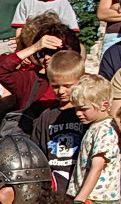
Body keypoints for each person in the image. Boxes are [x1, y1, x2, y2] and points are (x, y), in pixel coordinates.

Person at [0, 12, 80, 112]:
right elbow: (0, 70)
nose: (47, 57)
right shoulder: (31, 81)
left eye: (53, 52)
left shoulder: (84, 82)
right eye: (42, 53)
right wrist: (35, 47)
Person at [67, 75, 121, 204]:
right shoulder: (95, 126)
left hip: (97, 201)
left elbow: (97, 167)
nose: (78, 113)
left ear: (104, 105)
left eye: (83, 109)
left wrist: (80, 199)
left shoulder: (105, 130)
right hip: (90, 198)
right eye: (76, 109)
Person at [29, 49, 85, 187]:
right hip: (52, 183)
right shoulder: (46, 116)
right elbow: (37, 151)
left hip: (79, 181)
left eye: (67, 86)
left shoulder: (85, 114)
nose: (61, 91)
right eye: (55, 86)